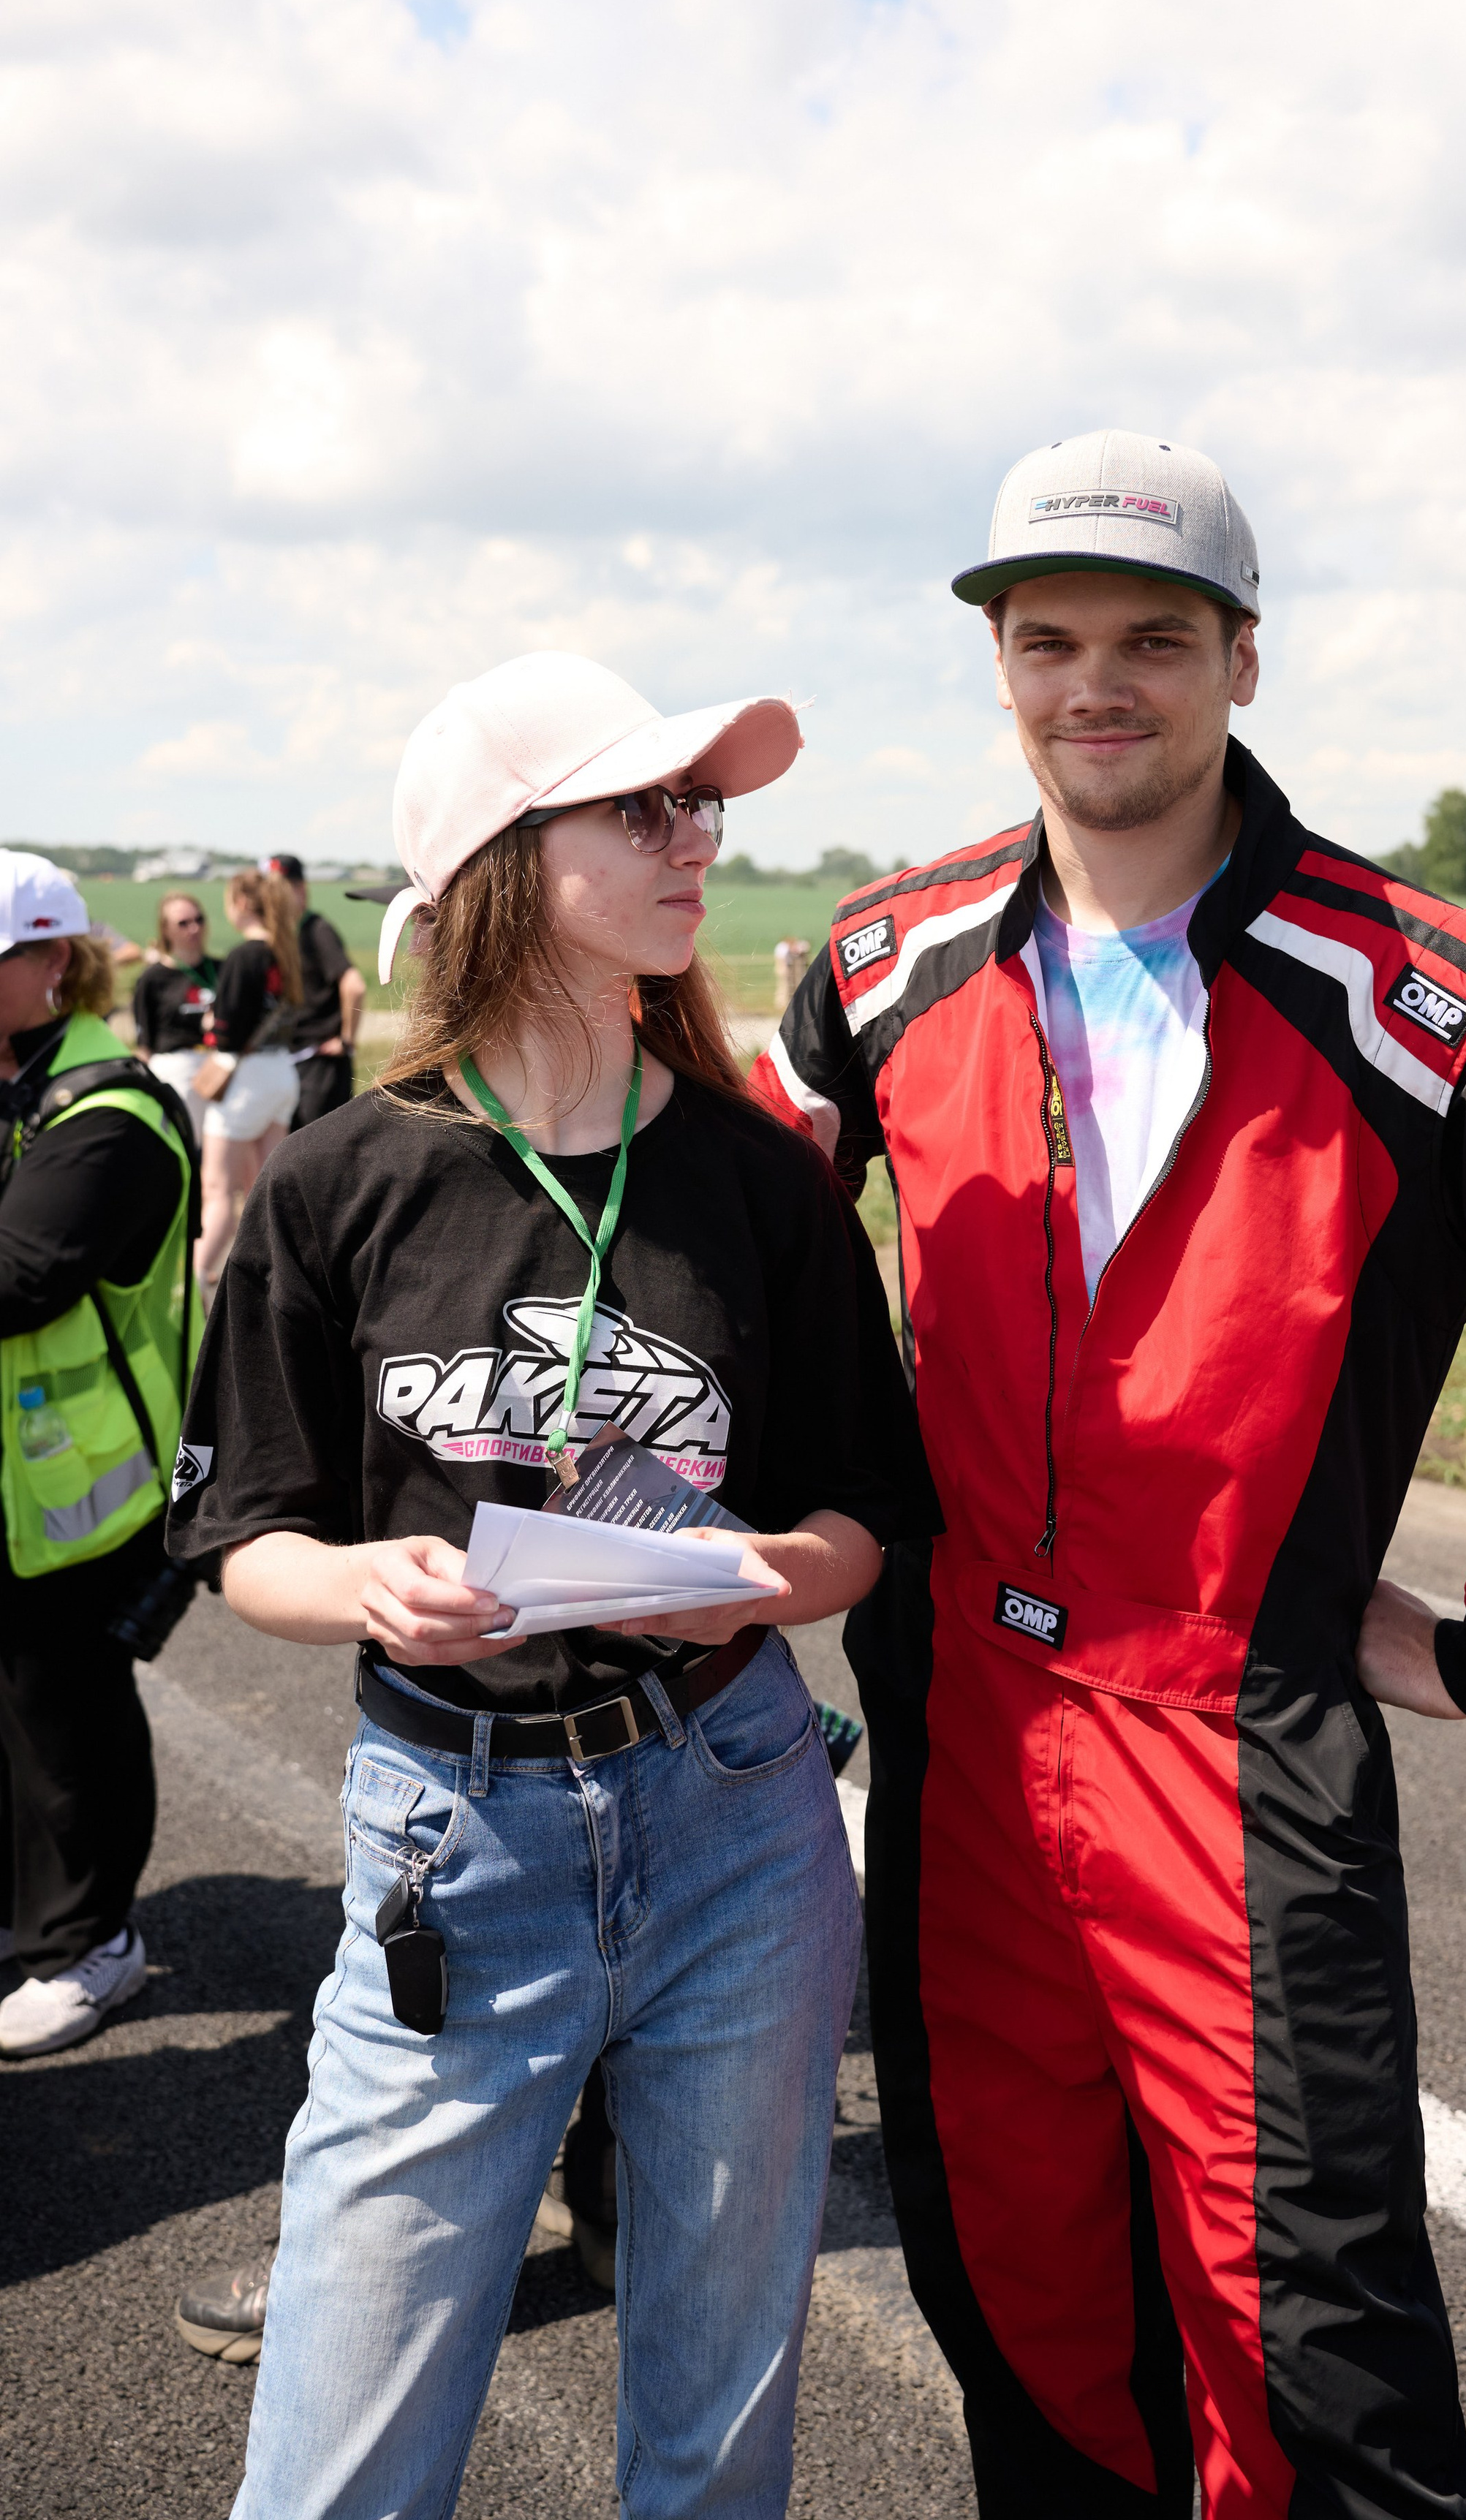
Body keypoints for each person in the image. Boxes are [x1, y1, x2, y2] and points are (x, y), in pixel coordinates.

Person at [750, 429, 1466, 2519]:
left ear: (1241, 659)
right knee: (1015, 2282)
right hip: (954, 1720)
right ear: (1000, 663)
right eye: (1048, 641)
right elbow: (724, 1264)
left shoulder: (1432, 994)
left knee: (1307, 2334)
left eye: (1152, 639)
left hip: (1237, 1740)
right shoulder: (882, 961)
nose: (1093, 685)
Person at [166, 648, 938, 2520]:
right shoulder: (342, 1182)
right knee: (343, 2445)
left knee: (712, 2410)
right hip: (453, 1825)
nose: (698, 839)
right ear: (505, 863)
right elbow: (241, 1542)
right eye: (643, 806)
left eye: (702, 806)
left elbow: (864, 1516)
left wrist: (757, 1577)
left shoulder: (762, 1181)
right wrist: (362, 1583)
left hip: (735, 1805)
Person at [0, 852, 201, 2059]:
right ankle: (24, 1914)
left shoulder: (109, 1113)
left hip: (80, 1485)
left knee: (62, 1715)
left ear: (52, 964)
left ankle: (89, 1944)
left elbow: (21, 1279)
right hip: (14, 1481)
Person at [196, 868, 303, 1289]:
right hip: (281, 1072)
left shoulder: (245, 955)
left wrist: (213, 1025)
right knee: (266, 1187)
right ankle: (276, 1277)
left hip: (245, 1081)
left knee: (218, 1190)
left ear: (241, 903)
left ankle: (200, 1274)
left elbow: (227, 1027)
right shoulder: (285, 950)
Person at [265, 854, 367, 1131]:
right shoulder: (282, 936)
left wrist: (346, 1041)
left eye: (280, 889)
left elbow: (354, 986)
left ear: (301, 889)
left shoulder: (316, 930)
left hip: (320, 1062)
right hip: (293, 1058)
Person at [132, 893, 219, 1142]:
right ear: (166, 930)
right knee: (186, 1142)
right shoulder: (152, 979)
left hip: (221, 1067)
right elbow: (144, 1044)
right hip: (177, 1069)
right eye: (183, 923)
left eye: (199, 920)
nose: (194, 928)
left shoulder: (222, 969)